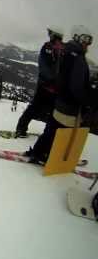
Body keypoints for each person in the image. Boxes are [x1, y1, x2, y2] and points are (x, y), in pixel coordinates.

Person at [26, 25, 94, 163]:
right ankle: (50, 155)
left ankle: (39, 152)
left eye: (89, 41)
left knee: (52, 128)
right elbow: (77, 87)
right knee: (62, 132)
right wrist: (87, 101)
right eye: (85, 40)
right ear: (77, 37)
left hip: (60, 100)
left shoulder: (65, 52)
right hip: (70, 105)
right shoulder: (78, 59)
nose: (87, 44)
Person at [15, 27, 65, 137]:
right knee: (50, 112)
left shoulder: (49, 47)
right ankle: (47, 135)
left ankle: (21, 129)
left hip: (46, 86)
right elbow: (47, 68)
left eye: (50, 34)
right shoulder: (59, 49)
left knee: (35, 108)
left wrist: (51, 80)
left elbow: (44, 67)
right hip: (53, 87)